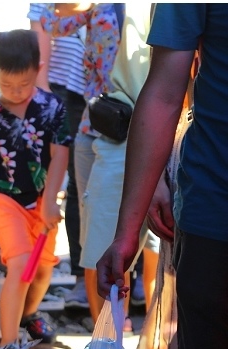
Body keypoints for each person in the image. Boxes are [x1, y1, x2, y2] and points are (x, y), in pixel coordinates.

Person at [96, 5, 228, 349]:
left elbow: (168, 88)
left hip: (212, 212)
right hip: (215, 213)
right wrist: (127, 230)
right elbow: (165, 90)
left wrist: (127, 230)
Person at [0, 29, 71, 344]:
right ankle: (7, 344)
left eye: (24, 84)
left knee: (41, 271)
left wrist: (51, 200)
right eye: (6, 85)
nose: (15, 91)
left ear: (38, 69)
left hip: (42, 200)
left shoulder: (53, 107)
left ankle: (28, 315)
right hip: (5, 199)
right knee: (21, 264)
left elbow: (59, 154)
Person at [76, 2, 159, 329]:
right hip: (118, 129)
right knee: (102, 251)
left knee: (166, 262)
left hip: (190, 135)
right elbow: (59, 14)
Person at [41, 3, 123, 325]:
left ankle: (132, 323)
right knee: (94, 233)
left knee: (144, 234)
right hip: (96, 125)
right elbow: (52, 22)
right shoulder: (96, 8)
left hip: (144, 128)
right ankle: (102, 333)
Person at [28, 3, 88, 309]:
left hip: (106, 90)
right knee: (70, 183)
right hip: (59, 87)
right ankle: (78, 276)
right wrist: (43, 90)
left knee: (89, 184)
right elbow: (39, 26)